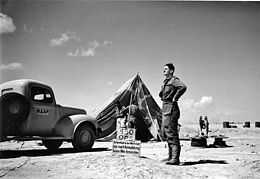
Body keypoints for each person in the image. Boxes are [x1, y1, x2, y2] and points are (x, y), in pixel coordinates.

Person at [159, 63, 187, 165]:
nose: (164, 71)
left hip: (171, 108)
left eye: (166, 69)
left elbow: (183, 87)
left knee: (171, 133)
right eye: (163, 69)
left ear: (171, 71)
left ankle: (175, 158)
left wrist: (175, 97)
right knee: (167, 133)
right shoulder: (166, 82)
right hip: (165, 107)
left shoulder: (174, 80)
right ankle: (170, 156)